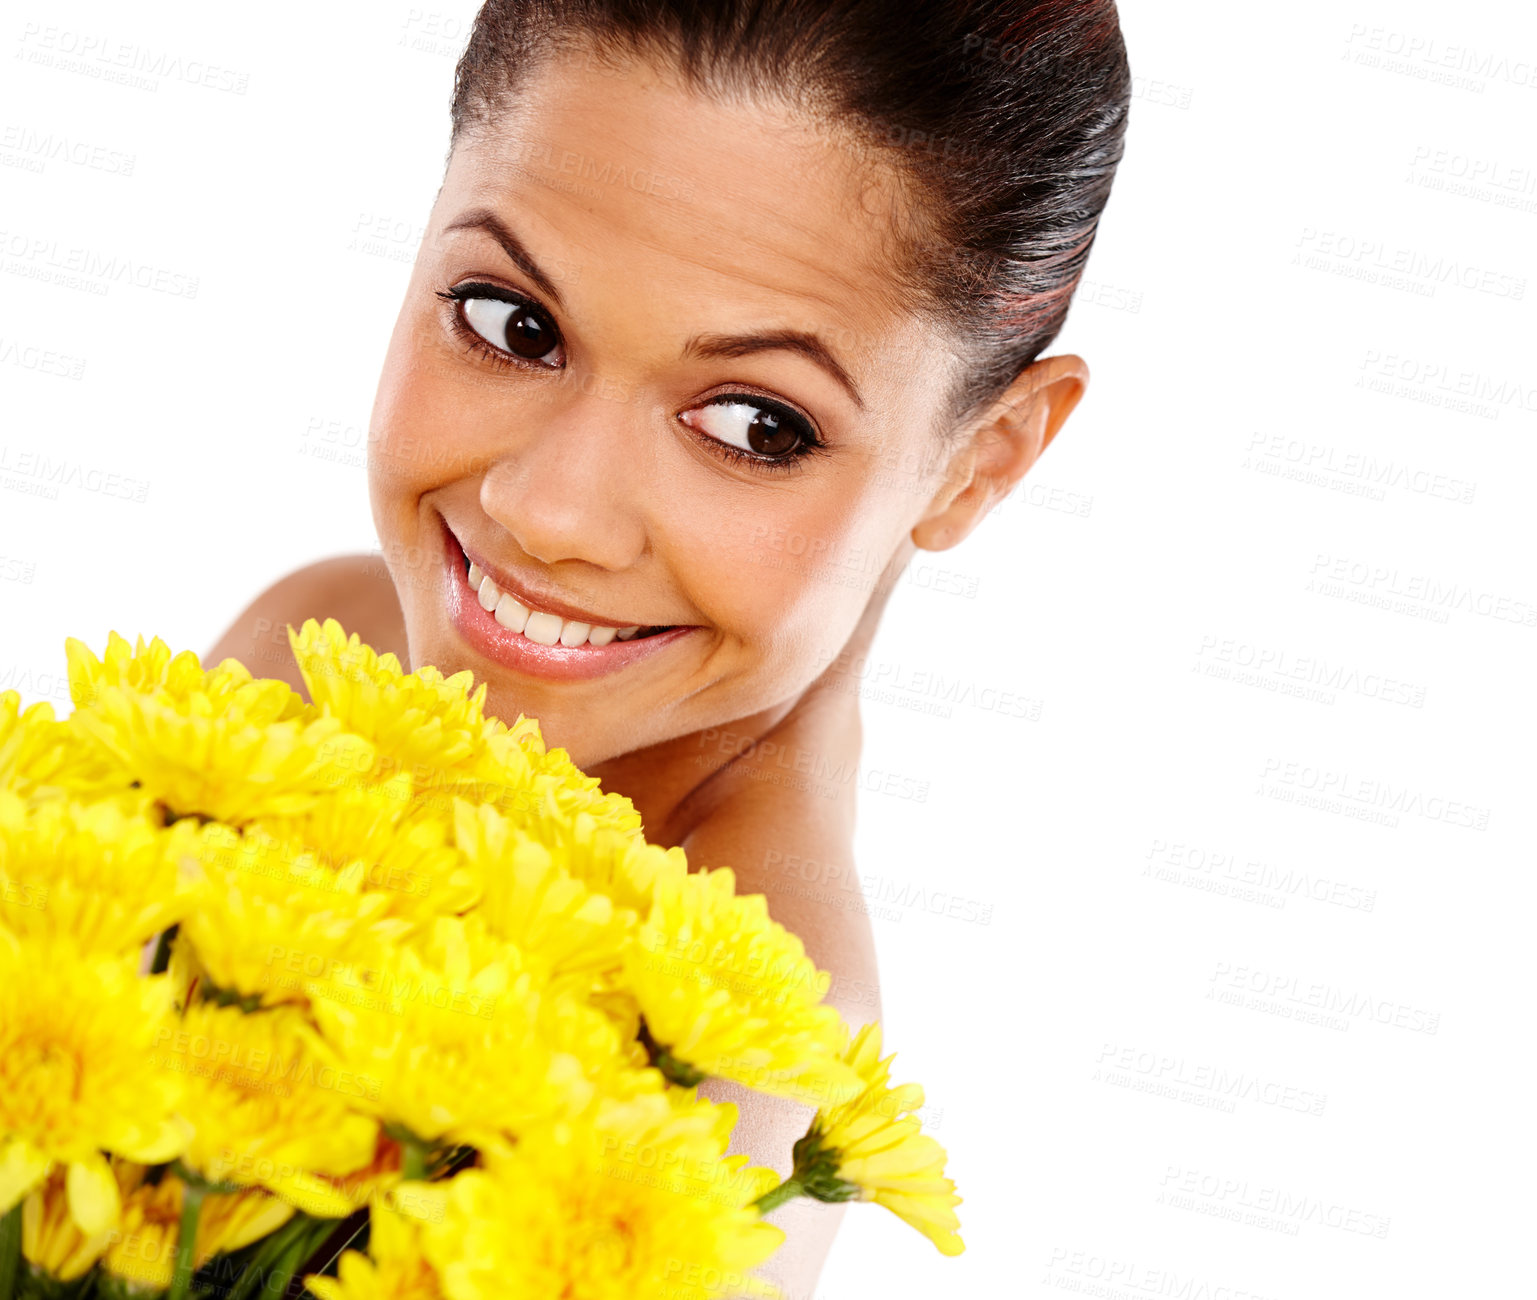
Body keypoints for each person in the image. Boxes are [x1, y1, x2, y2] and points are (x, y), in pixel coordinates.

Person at [208, 0, 1130, 1288]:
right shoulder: (307, 649)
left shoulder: (741, 1071)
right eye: (512, 321)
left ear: (978, 464)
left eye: (755, 425)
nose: (551, 512)